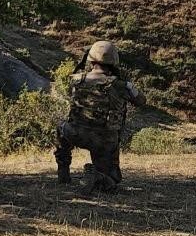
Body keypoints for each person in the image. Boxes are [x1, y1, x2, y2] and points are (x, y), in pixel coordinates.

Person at [54, 41, 145, 192]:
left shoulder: (77, 79)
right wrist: (128, 85)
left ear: (91, 60)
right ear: (114, 61)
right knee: (112, 180)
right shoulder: (121, 85)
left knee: (61, 128)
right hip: (104, 141)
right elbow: (141, 101)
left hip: (76, 134)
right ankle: (99, 177)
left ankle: (63, 174)